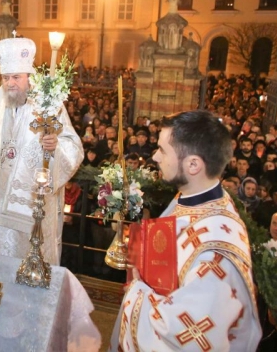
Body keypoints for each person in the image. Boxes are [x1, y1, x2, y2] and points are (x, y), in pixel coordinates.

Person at [110, 110, 261, 351]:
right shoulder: (191, 197)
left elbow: (188, 335)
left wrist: (138, 289)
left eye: (163, 150)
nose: (155, 157)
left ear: (193, 164)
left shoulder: (216, 252)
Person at [0, 35, 83, 265]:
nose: (10, 83)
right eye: (5, 77)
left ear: (28, 76)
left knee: (26, 263)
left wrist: (56, 146)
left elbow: (73, 146)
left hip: (31, 207)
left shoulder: (49, 103)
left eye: (16, 77)